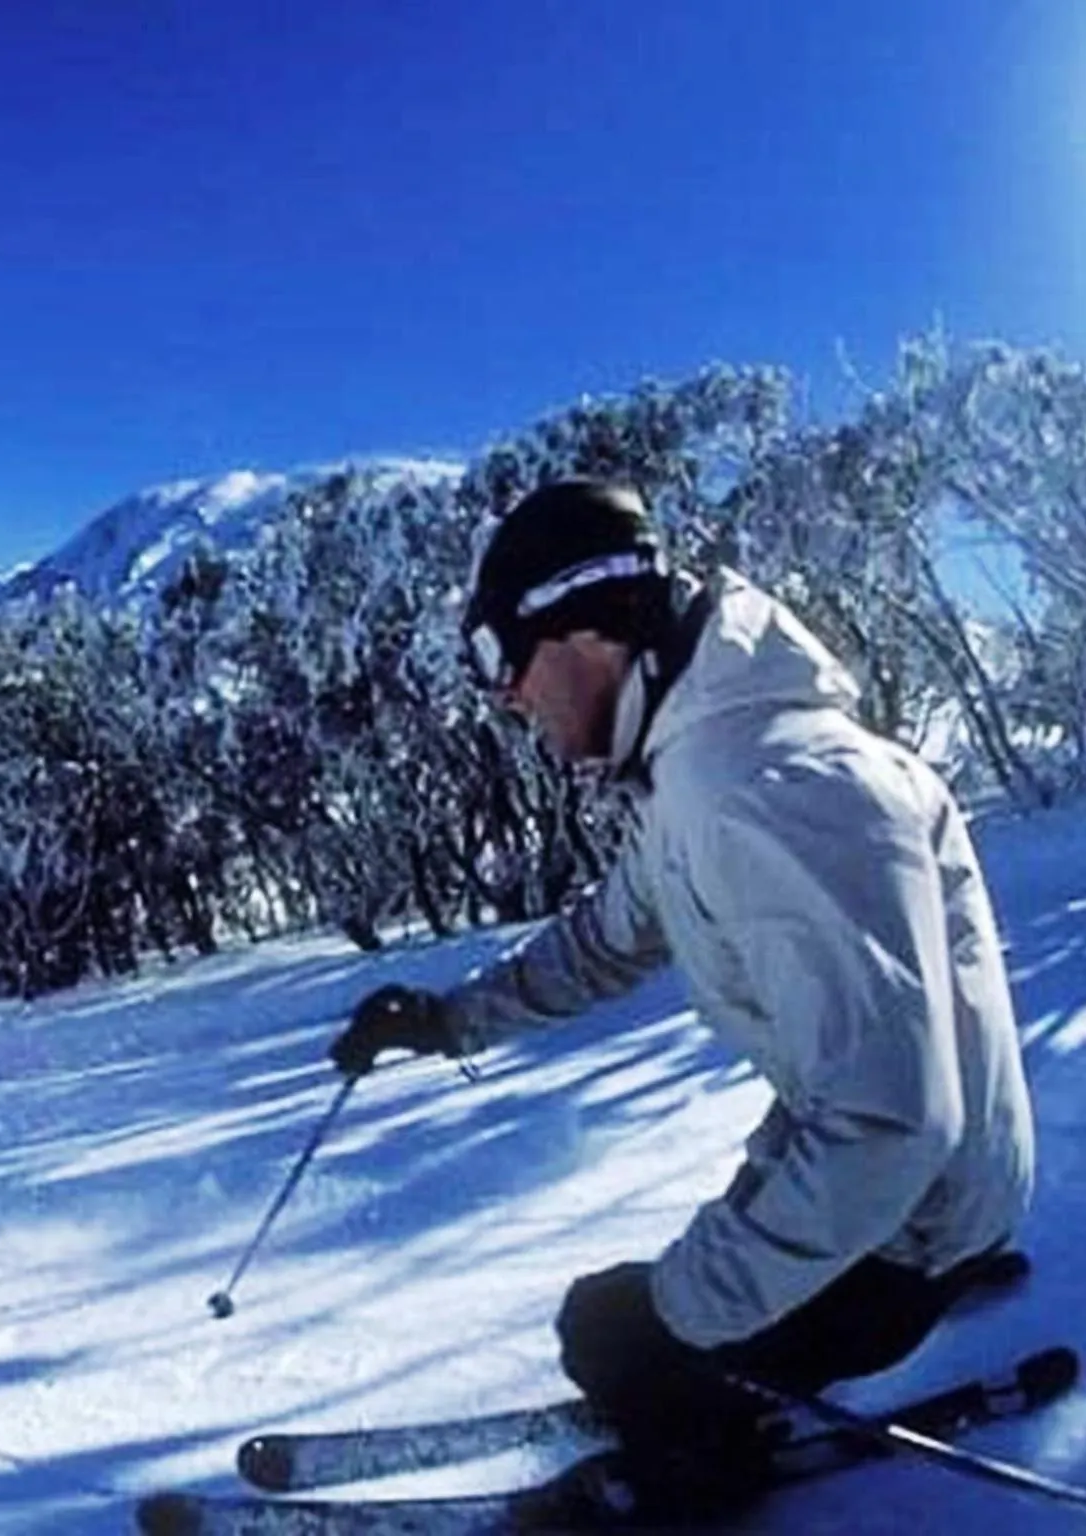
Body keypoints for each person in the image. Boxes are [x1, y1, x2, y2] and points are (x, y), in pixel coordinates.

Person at [328, 479, 1036, 1515]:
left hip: (910, 1225)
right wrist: (446, 1019)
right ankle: (734, 1362)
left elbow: (890, 1123)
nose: (502, 695)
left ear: (584, 627)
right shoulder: (701, 765)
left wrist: (674, 1319)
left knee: (605, 1331)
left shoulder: (762, 791)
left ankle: (702, 1466)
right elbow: (606, 937)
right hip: (908, 1193)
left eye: (498, 655)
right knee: (633, 1313)